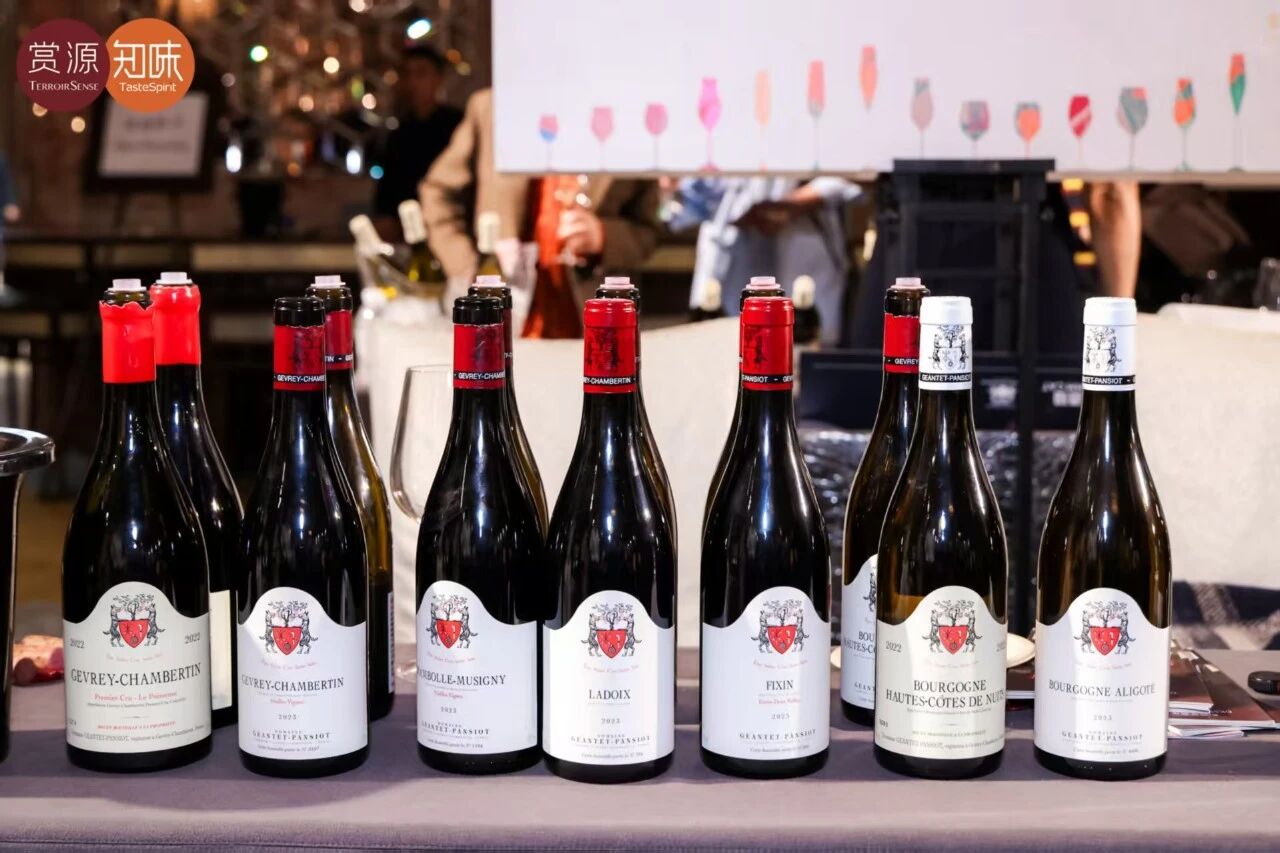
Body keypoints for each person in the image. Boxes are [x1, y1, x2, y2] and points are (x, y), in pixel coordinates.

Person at [420, 88, 660, 326]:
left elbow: (649, 230)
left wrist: (604, 236)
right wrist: (467, 266)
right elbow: (438, 192)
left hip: (589, 320)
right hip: (503, 316)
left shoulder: (626, 115)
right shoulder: (494, 106)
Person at [668, 176, 858, 345]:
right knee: (722, 344)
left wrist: (794, 202)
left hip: (803, 234)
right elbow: (690, 191)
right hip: (730, 243)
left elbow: (851, 173)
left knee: (803, 345)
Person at [372, 44, 463, 238]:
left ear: (438, 78)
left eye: (420, 74)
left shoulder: (458, 127)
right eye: (406, 74)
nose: (412, 83)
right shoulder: (398, 135)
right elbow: (386, 199)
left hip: (451, 229)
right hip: (407, 235)